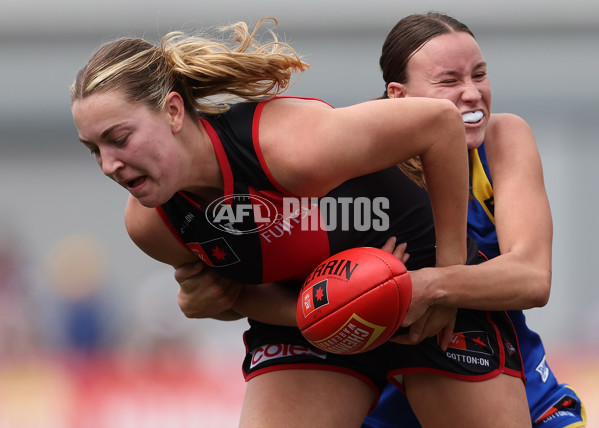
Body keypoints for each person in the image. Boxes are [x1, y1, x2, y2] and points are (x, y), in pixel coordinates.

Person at [70, 18, 531, 427]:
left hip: (430, 299)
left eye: (119, 138)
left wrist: (446, 280)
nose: (109, 164)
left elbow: (439, 122)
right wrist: (334, 310)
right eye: (94, 149)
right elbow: (236, 299)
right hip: (313, 323)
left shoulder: (291, 149)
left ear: (173, 111)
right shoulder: (152, 227)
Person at [362, 12, 587, 428]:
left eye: (479, 75)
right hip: (388, 403)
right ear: (398, 95)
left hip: (527, 398)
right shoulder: (360, 164)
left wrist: (428, 287)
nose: (472, 94)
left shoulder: (503, 140)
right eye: (450, 81)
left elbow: (532, 278)